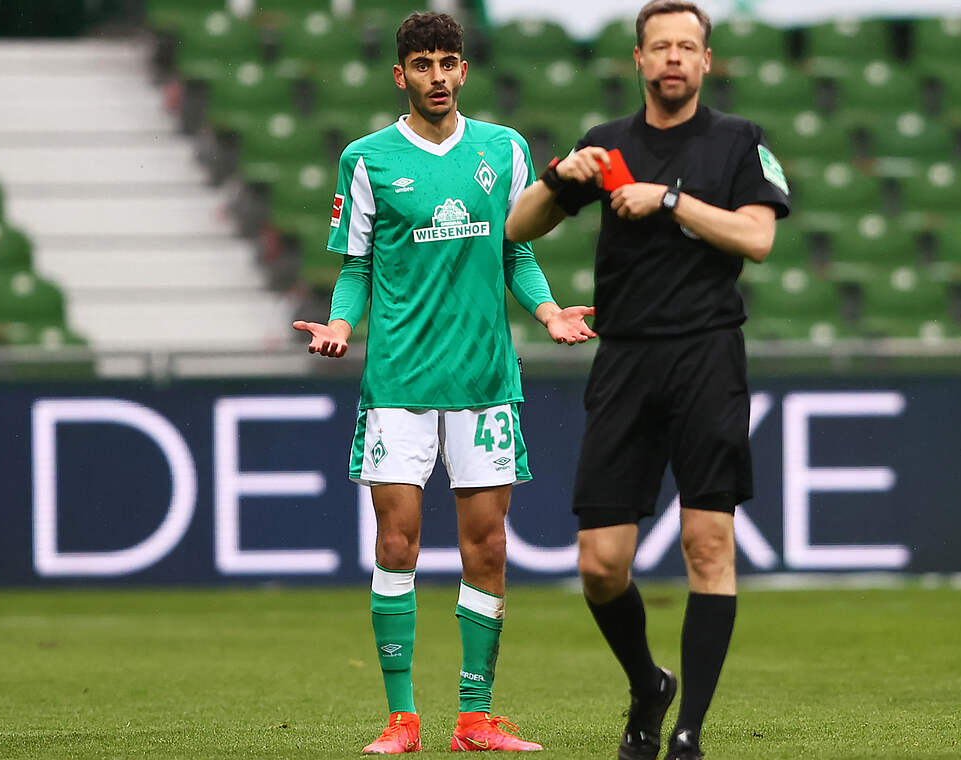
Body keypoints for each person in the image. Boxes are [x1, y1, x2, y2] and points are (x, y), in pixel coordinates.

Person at [292, 11, 595, 755]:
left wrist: (549, 310)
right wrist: (341, 326)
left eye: (448, 62)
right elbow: (356, 267)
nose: (437, 76)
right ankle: (401, 720)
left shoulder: (504, 149)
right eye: (422, 64)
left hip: (486, 382)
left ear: (464, 70)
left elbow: (515, 250)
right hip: (398, 384)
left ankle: (475, 718)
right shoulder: (366, 159)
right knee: (397, 546)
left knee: (486, 549)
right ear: (401, 75)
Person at [505, 2, 791, 759]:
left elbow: (758, 239)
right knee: (600, 564)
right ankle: (647, 685)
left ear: (706, 60)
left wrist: (671, 200)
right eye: (659, 46)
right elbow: (518, 227)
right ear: (638, 60)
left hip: (707, 354)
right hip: (625, 358)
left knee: (708, 544)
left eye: (686, 46)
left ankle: (688, 731)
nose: (672, 57)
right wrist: (559, 175)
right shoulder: (606, 144)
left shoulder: (739, 142)